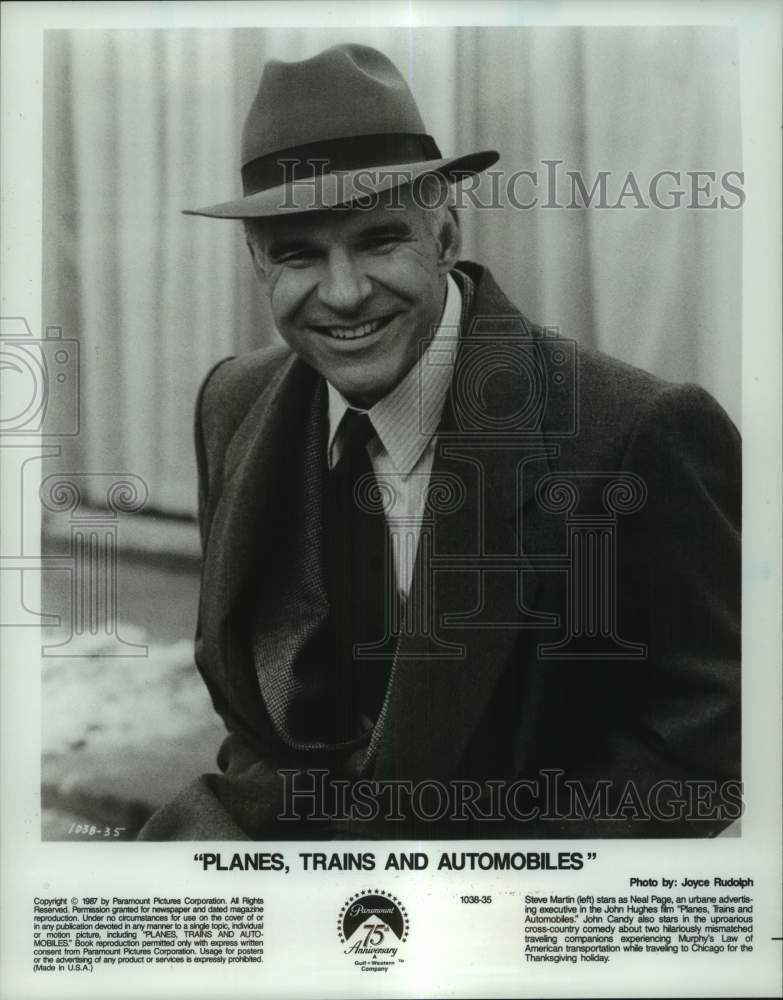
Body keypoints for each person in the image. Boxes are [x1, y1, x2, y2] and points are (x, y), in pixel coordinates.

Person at [138, 43, 740, 840]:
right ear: (257, 265)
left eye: (380, 241)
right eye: (297, 254)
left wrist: (490, 897)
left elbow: (710, 740)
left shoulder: (633, 432)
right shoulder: (231, 402)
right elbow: (254, 715)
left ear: (445, 235)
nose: (344, 292)